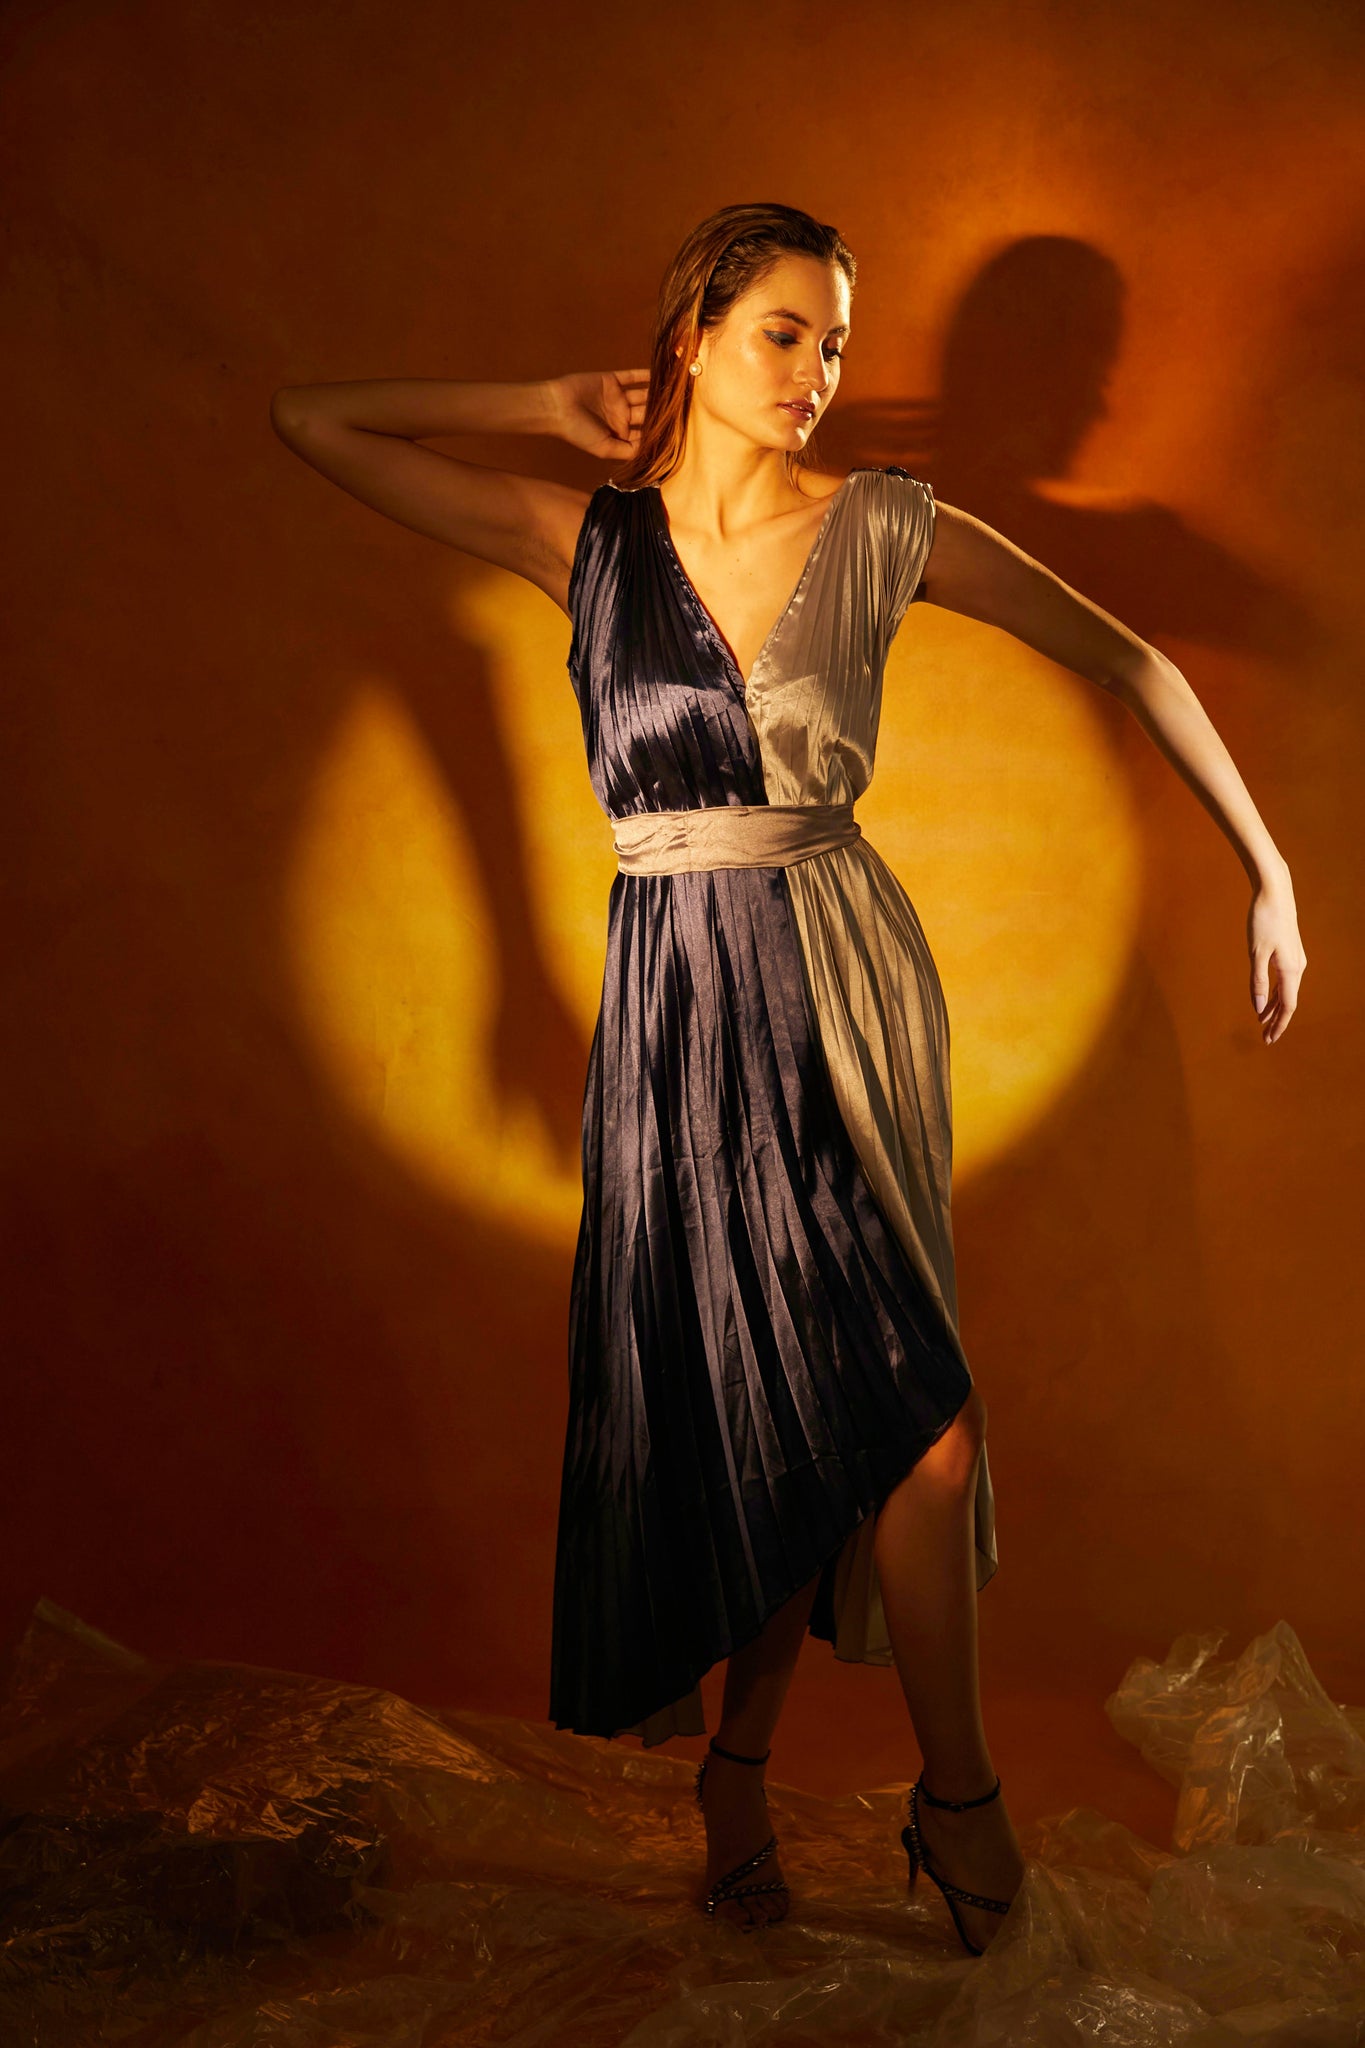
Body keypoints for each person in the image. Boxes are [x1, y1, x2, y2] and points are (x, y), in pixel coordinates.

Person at [270, 202, 1306, 1952]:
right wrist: (543, 402)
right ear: (692, 331)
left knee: (920, 1429)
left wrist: (1267, 871)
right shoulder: (579, 539)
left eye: (835, 343)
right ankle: (737, 1777)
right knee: (765, 1419)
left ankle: (955, 1802)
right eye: (782, 332)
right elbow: (310, 420)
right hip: (675, 1013)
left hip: (839, 986)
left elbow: (1130, 655)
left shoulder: (885, 527)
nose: (817, 372)